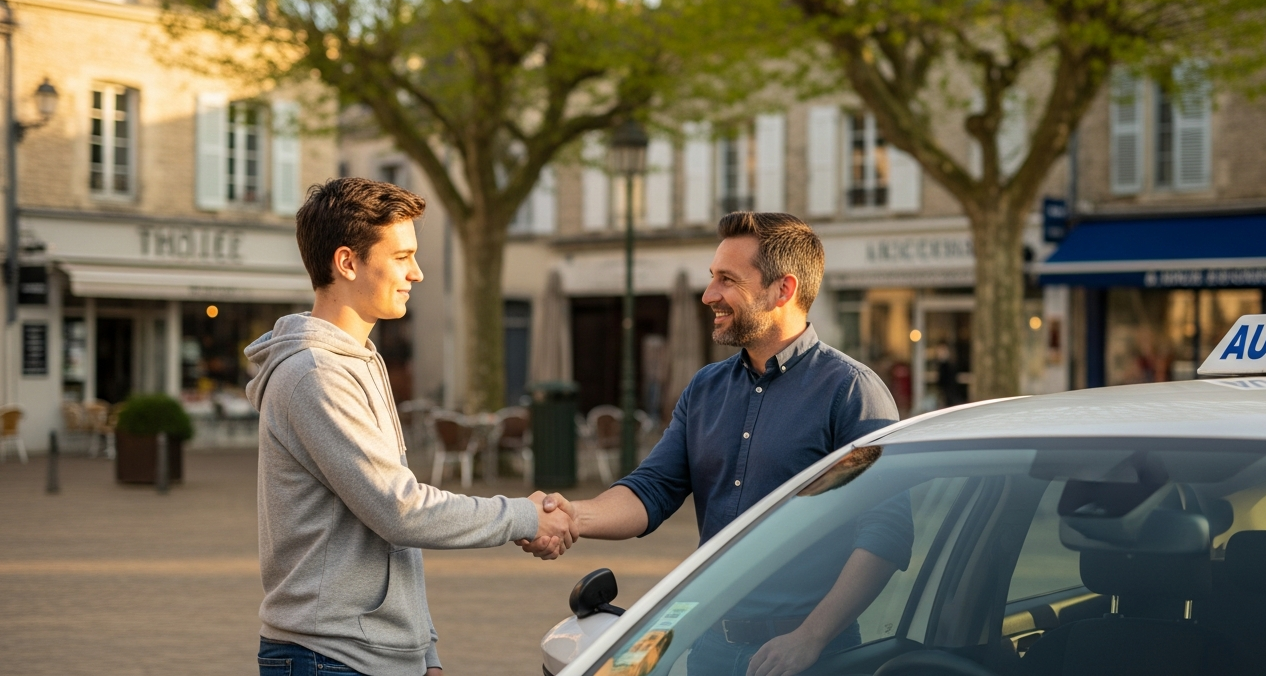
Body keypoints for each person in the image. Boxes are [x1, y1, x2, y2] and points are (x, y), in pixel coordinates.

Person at [522, 212, 907, 676]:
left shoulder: (851, 391)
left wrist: (811, 638)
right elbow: (654, 488)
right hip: (711, 648)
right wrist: (573, 516)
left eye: (727, 280)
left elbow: (887, 531)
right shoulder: (705, 388)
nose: (709, 296)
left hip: (815, 656)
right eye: (711, 278)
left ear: (782, 290)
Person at [246, 178, 575, 676]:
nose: (417, 273)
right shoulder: (315, 374)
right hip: (328, 658)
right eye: (401, 257)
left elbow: (389, 534)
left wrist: (425, 652)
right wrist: (525, 516)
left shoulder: (357, 362)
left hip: (370, 656)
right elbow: (399, 510)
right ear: (347, 262)